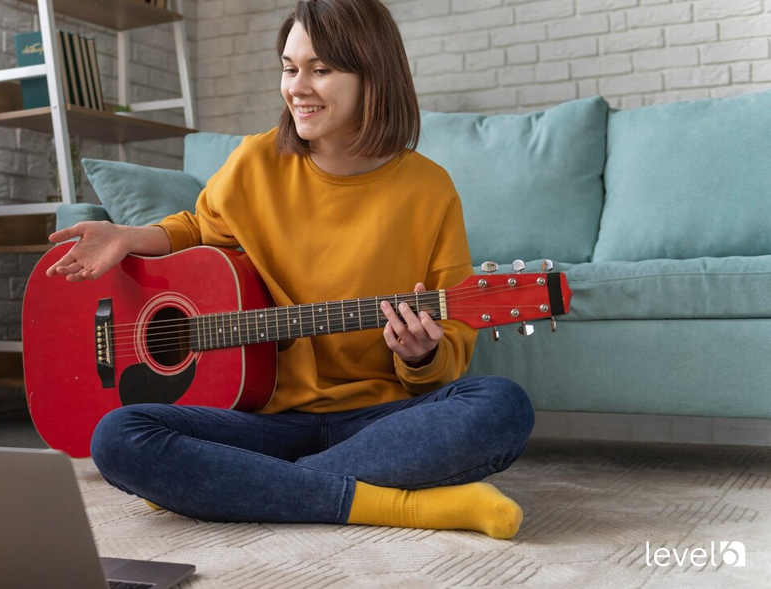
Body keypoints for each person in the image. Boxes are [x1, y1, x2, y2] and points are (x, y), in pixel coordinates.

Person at [44, 0, 534, 540]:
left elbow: (455, 347)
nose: (297, 86)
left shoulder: (429, 189)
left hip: (378, 421)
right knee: (117, 435)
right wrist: (128, 235)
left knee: (501, 406)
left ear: (374, 74)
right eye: (289, 67)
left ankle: (236, 488)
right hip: (260, 420)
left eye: (320, 69)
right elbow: (200, 227)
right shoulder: (256, 162)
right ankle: (398, 505)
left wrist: (422, 355)